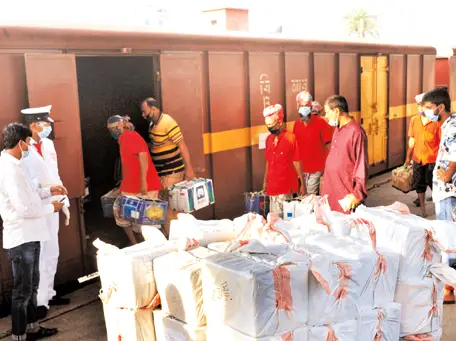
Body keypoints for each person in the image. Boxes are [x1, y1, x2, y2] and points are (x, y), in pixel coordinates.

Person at [0, 123, 65, 341]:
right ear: (20, 143)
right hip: (21, 238)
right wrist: (51, 208)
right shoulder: (9, 169)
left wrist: (48, 191)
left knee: (31, 288)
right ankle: (19, 336)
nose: (29, 146)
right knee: (22, 292)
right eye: (27, 142)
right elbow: (24, 207)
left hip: (30, 235)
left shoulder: (16, 164)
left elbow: (30, 192)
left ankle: (33, 328)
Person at [20, 105, 71, 319]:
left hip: (54, 200)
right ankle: (39, 302)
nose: (48, 127)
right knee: (40, 252)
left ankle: (49, 293)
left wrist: (62, 197)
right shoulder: (22, 147)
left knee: (53, 249)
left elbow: (55, 172)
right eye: (45, 124)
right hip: (37, 203)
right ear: (33, 125)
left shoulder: (48, 144)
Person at [140, 97, 195, 237]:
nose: (143, 115)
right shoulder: (152, 124)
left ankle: (175, 241)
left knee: (169, 210)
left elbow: (182, 145)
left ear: (153, 109)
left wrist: (189, 169)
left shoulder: (168, 122)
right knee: (165, 207)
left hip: (172, 172)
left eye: (144, 111)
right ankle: (174, 238)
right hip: (162, 173)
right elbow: (156, 145)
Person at [421, 88, 456, 304]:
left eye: (427, 108)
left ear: (439, 107)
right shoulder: (448, 124)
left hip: (448, 192)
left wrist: (447, 174)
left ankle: (450, 288)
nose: (425, 112)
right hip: (446, 191)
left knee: (448, 236)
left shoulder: (451, 126)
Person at [107, 115, 162, 244]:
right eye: (111, 129)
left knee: (146, 219)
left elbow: (142, 156)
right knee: (132, 216)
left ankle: (144, 244)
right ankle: (138, 244)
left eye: (114, 128)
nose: (113, 131)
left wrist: (144, 182)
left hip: (143, 186)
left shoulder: (129, 136)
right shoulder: (124, 138)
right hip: (132, 185)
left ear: (121, 126)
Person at [322, 95, 368, 213]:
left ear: (337, 111)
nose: (326, 117)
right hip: (331, 191)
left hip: (345, 195)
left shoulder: (356, 132)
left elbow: (361, 166)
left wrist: (357, 194)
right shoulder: (338, 129)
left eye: (327, 113)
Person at [263, 104, 305, 218]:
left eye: (271, 125)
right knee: (275, 220)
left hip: (286, 189)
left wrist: (302, 183)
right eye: (267, 125)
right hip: (272, 188)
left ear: (280, 122)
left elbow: (297, 161)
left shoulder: (291, 138)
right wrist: (265, 181)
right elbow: (268, 161)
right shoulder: (268, 140)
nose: (269, 127)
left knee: (287, 220)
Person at [404, 94, 441, 217]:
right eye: (418, 106)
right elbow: (412, 140)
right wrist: (408, 158)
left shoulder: (437, 123)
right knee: (419, 185)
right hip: (417, 159)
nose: (419, 109)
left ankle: (439, 210)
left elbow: (441, 144)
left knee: (434, 185)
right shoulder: (414, 120)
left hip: (432, 160)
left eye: (422, 106)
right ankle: (423, 211)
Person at [293, 91, 333, 195]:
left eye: (306, 105)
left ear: (311, 106)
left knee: (311, 198)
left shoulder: (320, 123)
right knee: (302, 199)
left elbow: (329, 146)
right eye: (301, 105)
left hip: (316, 169)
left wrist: (330, 169)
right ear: (297, 106)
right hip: (302, 170)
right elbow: (295, 149)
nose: (303, 108)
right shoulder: (297, 124)